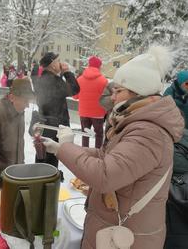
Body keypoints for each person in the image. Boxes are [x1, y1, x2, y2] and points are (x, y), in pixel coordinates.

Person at [42, 46, 185, 249]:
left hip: (129, 237)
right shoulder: (135, 121)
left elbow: (105, 176)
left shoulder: (147, 133)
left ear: (139, 93)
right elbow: (106, 155)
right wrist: (61, 148)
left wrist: (65, 149)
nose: (113, 98)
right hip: (117, 230)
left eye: (118, 91)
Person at [0, 77, 35, 194]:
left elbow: (19, 143)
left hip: (13, 178)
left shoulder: (19, 112)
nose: (27, 105)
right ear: (12, 97)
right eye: (25, 101)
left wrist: (20, 171)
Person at [34, 52, 79, 168]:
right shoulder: (53, 80)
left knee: (42, 155)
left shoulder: (41, 79)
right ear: (53, 65)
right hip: (54, 125)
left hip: (45, 123)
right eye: (58, 61)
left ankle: (39, 179)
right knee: (50, 159)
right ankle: (47, 181)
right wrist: (67, 72)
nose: (60, 63)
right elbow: (75, 89)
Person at [73, 56, 108, 148]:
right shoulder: (104, 81)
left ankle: (85, 151)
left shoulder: (79, 80)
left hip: (84, 112)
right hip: (98, 113)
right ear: (99, 66)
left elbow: (75, 96)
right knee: (99, 135)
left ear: (89, 65)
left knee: (85, 134)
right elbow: (107, 98)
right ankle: (97, 152)